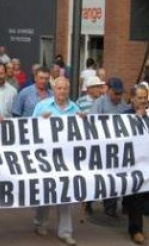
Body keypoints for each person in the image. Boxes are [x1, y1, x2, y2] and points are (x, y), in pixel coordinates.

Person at [32, 77, 80, 246]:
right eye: (59, 88)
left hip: (67, 159)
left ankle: (65, 232)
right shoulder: (42, 106)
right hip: (46, 157)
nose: (62, 92)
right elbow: (28, 130)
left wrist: (84, 122)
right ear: (54, 89)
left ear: (68, 90)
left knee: (65, 193)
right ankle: (40, 223)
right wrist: (40, 121)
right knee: (46, 191)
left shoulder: (75, 108)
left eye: (65, 89)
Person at [89, 77, 130, 217]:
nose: (118, 96)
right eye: (115, 93)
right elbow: (92, 124)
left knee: (114, 178)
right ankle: (88, 202)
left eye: (120, 94)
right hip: (101, 148)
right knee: (97, 178)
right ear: (108, 90)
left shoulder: (124, 105)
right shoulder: (99, 103)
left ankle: (110, 207)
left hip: (118, 149)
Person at [122, 84, 149, 244]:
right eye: (140, 97)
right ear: (132, 99)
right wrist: (135, 120)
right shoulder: (124, 116)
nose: (144, 100)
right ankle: (136, 230)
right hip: (134, 165)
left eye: (145, 97)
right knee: (136, 197)